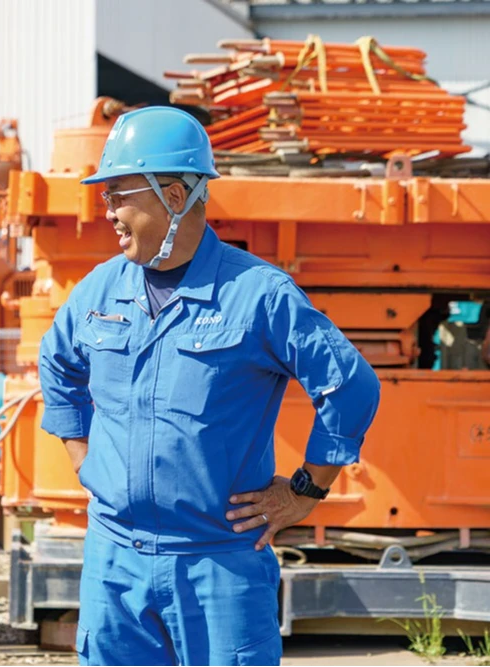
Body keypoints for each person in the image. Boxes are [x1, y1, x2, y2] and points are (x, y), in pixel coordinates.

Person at [38, 107, 381, 667]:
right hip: (115, 563)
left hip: (219, 565)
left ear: (174, 196)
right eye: (106, 196)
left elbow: (350, 386)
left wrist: (305, 492)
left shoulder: (258, 294)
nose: (109, 212)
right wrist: (84, 457)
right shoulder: (100, 289)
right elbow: (57, 365)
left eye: (118, 195)